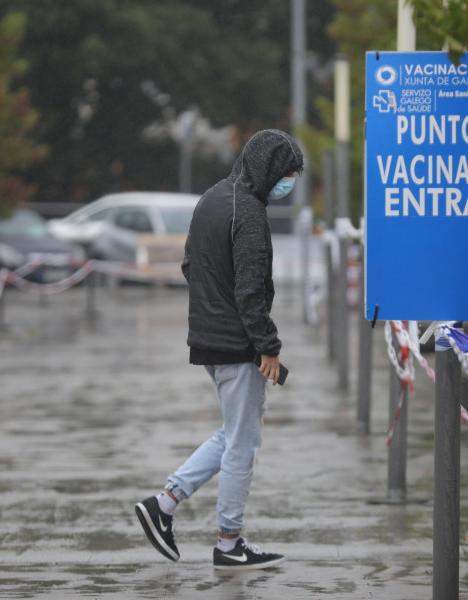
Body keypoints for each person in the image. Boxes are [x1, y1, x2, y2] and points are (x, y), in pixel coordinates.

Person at [135, 129, 303, 570]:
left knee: (233, 434)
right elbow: (250, 291)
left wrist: (215, 314)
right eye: (287, 173)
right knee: (242, 446)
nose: (288, 182)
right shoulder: (247, 212)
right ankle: (229, 543)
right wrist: (268, 346)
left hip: (209, 340)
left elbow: (191, 264)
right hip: (237, 345)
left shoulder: (213, 197)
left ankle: (165, 503)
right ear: (268, 168)